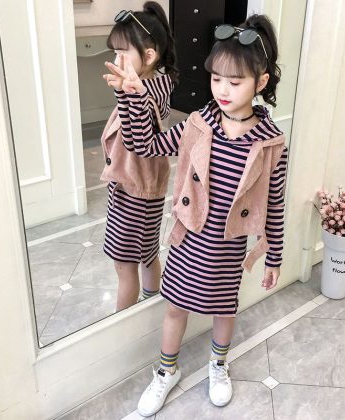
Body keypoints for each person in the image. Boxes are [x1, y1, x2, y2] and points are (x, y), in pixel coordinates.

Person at [106, 14, 288, 416]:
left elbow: (274, 202)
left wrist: (274, 255)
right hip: (189, 238)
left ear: (260, 82)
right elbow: (146, 145)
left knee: (225, 308)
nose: (222, 89)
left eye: (235, 82)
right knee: (175, 306)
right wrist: (131, 97)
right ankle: (166, 371)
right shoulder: (198, 124)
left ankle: (218, 365)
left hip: (229, 244)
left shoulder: (270, 141)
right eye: (216, 78)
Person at [101, 2, 178, 311]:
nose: (115, 60)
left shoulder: (144, 92)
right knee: (146, 254)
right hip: (139, 185)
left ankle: (124, 324)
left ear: (149, 56)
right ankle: (149, 304)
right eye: (114, 52)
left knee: (124, 264)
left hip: (135, 190)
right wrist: (124, 91)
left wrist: (127, 92)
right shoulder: (156, 82)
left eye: (122, 52)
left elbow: (138, 139)